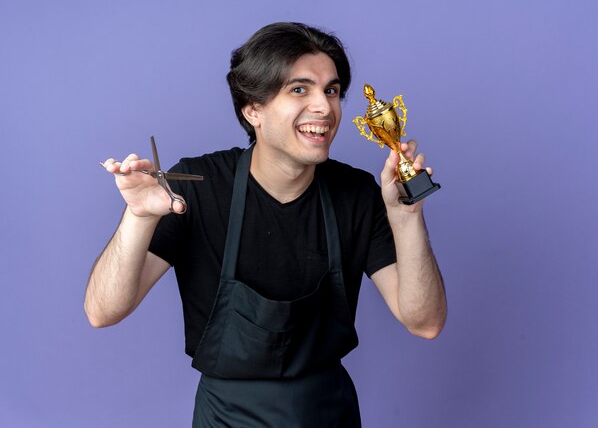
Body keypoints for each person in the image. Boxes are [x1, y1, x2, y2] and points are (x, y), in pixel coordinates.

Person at [86, 22, 447, 427]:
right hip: (226, 418)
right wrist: (138, 216)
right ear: (252, 109)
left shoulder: (357, 194)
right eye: (299, 89)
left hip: (328, 413)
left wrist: (407, 218)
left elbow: (426, 322)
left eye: (330, 90)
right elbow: (103, 311)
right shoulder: (198, 188)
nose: (325, 108)